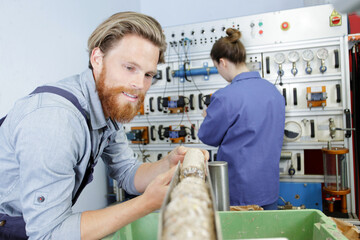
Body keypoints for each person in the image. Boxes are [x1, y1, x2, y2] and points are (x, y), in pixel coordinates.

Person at [0, 12, 208, 240]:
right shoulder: (55, 121)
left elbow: (128, 172)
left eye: (148, 74)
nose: (139, 85)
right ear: (97, 59)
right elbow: (48, 234)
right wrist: (146, 203)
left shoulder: (107, 105)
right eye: (130, 67)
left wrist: (167, 164)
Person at [198, 28, 285, 210]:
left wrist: (209, 116)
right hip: (269, 189)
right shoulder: (273, 92)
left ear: (222, 62)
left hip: (238, 193)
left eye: (216, 67)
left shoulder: (225, 97)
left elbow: (208, 137)